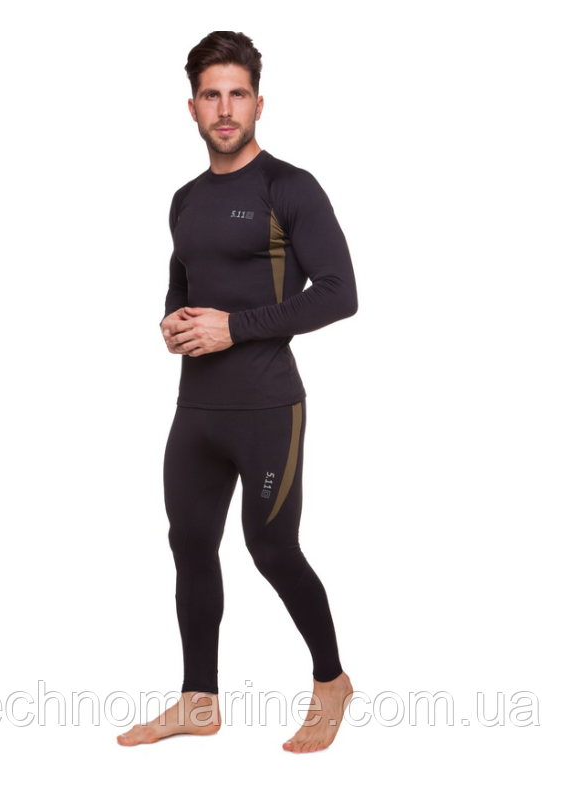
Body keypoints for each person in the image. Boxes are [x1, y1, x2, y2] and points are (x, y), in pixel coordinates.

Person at [118, 30, 357, 754]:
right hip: (196, 411)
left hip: (267, 407)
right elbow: (182, 280)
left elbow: (340, 293)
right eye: (211, 95)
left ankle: (331, 682)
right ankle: (199, 701)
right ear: (192, 107)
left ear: (258, 103)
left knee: (272, 548)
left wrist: (234, 327)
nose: (225, 109)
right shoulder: (185, 199)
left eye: (238, 94)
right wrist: (172, 320)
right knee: (190, 545)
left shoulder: (290, 187)